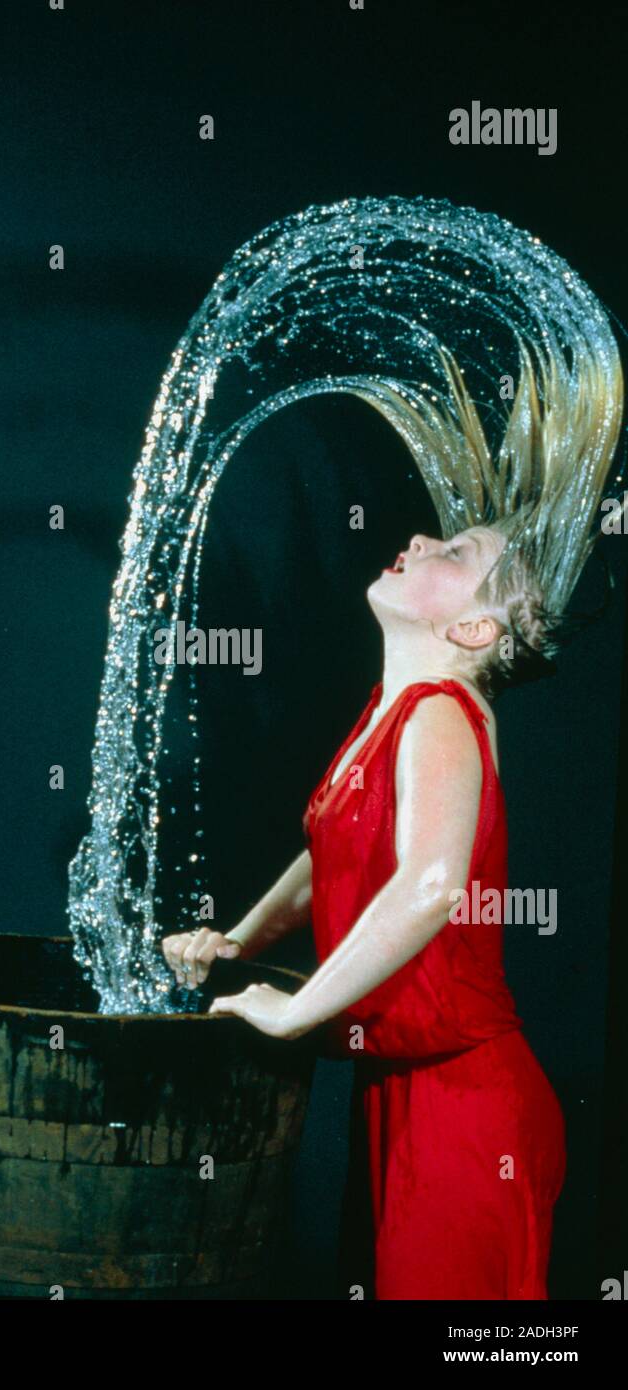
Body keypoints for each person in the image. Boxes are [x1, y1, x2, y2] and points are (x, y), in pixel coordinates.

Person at [161, 336, 624, 1300]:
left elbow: (431, 883)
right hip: (402, 1096)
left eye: (455, 554)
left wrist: (293, 1010)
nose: (418, 540)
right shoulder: (390, 713)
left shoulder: (443, 715)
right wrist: (239, 942)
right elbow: (329, 848)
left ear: (474, 629)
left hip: (467, 1111)